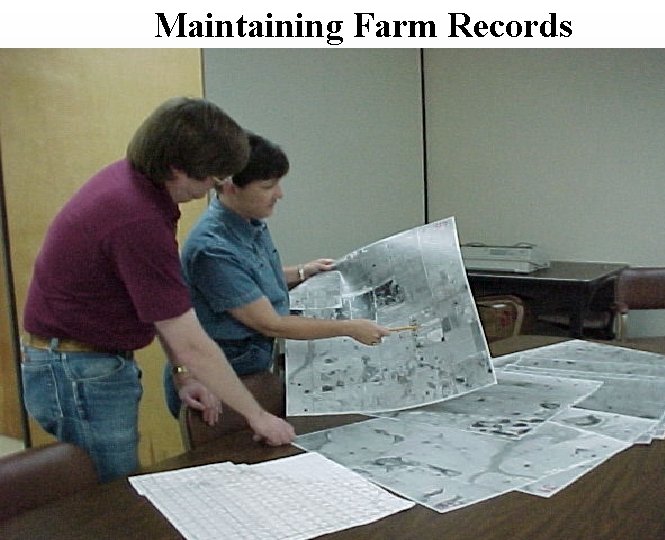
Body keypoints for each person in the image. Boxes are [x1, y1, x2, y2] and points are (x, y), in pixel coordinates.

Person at [21, 97, 295, 483]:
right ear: (177, 169)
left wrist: (183, 373)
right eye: (210, 178)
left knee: (115, 483)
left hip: (90, 359)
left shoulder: (140, 188)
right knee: (113, 492)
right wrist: (258, 416)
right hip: (77, 367)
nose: (214, 188)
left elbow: (163, 306)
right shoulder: (137, 217)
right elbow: (190, 341)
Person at [163, 133, 390, 417]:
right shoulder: (212, 249)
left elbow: (249, 280)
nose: (279, 194)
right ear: (231, 187)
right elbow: (272, 324)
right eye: (268, 186)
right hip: (220, 381)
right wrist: (350, 328)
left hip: (254, 369)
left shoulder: (249, 220)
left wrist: (302, 271)